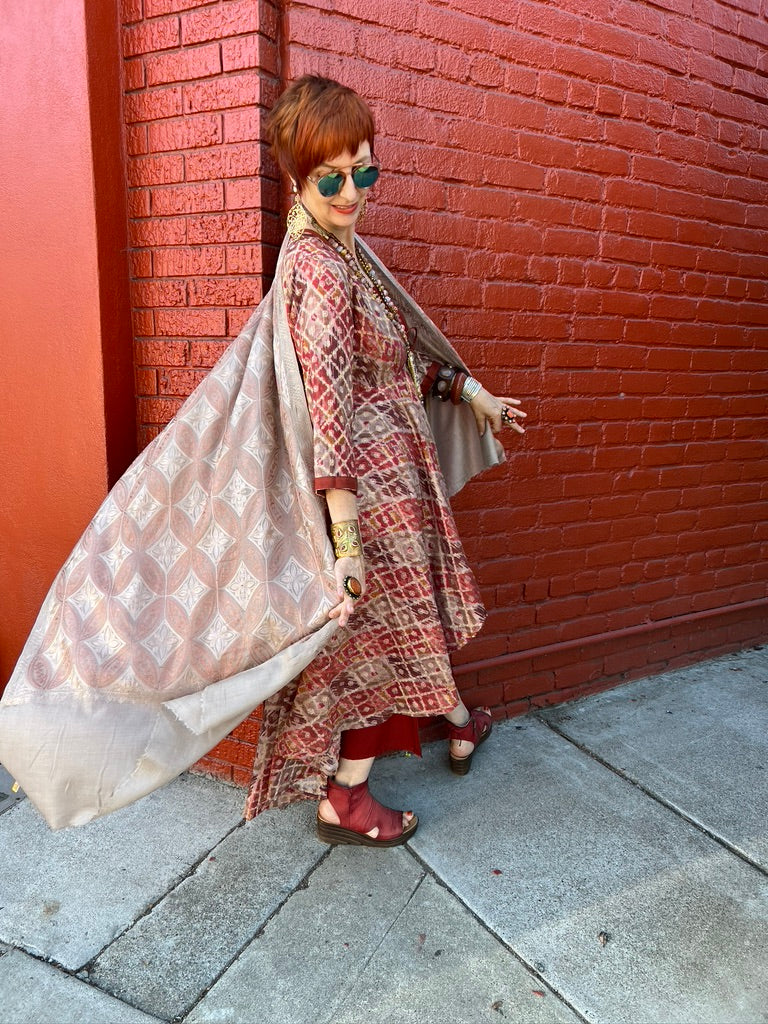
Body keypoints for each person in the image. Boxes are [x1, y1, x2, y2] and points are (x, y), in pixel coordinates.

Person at [243, 75, 527, 846]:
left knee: (408, 629)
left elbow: (391, 363)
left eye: (362, 171)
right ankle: (347, 798)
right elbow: (329, 411)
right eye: (330, 179)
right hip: (368, 502)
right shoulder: (321, 270)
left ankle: (460, 724)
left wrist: (469, 392)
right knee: (378, 647)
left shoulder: (348, 256)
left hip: (394, 488)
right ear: (296, 179)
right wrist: (346, 544)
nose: (351, 193)